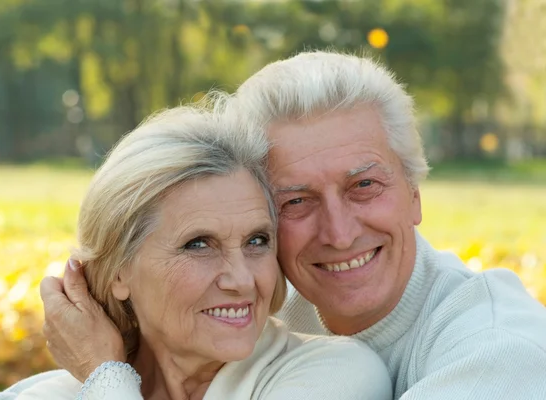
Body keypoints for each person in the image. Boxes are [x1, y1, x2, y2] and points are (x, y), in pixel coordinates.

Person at [33, 51, 546, 399]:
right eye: (295, 200)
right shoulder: (258, 304)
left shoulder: (500, 352)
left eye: (364, 186)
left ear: (415, 194)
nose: (340, 233)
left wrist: (106, 377)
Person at [0, 106, 392, 399]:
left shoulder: (338, 375)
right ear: (117, 272)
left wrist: (104, 375)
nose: (241, 280)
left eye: (257, 241)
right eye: (198, 245)